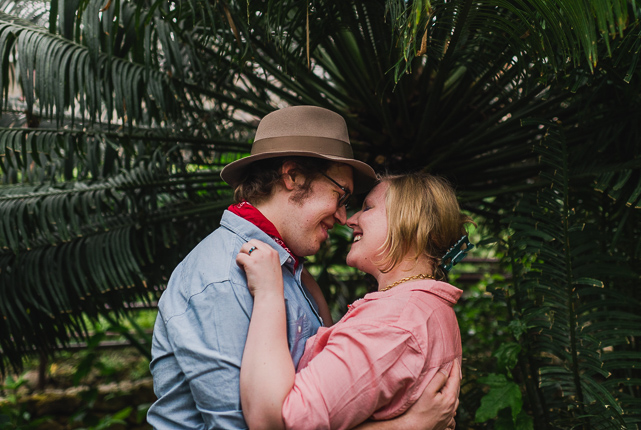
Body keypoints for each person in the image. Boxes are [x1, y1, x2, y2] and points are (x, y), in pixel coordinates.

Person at [148, 106, 459, 430]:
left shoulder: (284, 268)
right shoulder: (224, 278)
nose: (343, 217)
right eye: (341, 195)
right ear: (293, 176)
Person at [237, 172, 470, 430]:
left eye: (368, 208)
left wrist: (269, 293)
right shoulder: (433, 308)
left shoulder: (392, 324)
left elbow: (280, 421)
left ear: (410, 221)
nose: (350, 219)